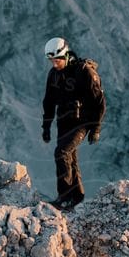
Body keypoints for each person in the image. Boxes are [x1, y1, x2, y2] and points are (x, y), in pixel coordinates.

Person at [40, 37, 105, 209]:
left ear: (66, 55)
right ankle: (77, 196)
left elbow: (99, 102)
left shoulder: (84, 72)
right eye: (52, 61)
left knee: (61, 153)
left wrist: (96, 128)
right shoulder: (53, 75)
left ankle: (65, 197)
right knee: (70, 158)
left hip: (81, 123)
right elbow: (48, 102)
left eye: (57, 60)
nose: (55, 64)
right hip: (63, 122)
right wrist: (46, 127)